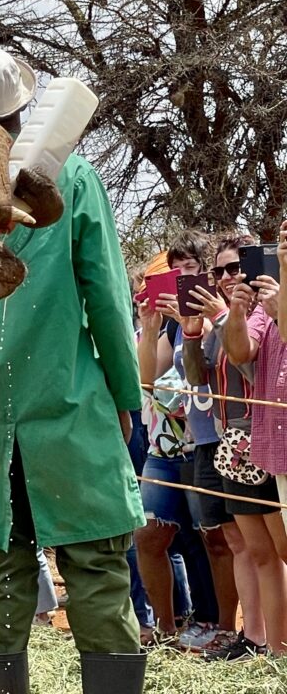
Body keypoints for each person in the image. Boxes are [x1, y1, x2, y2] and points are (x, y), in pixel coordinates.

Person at [0, 47, 147, 694]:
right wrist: (126, 397)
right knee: (98, 569)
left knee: (1, 575)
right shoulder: (73, 180)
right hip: (69, 405)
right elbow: (106, 296)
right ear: (28, 105)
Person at [135, 231, 237, 649]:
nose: (179, 280)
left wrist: (187, 323)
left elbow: (210, 372)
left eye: (189, 271)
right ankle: (167, 627)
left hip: (207, 444)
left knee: (216, 538)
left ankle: (225, 627)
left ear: (206, 276)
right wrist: (149, 325)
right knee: (147, 535)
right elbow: (145, 377)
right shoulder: (170, 332)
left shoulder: (217, 315)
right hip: (164, 447)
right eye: (173, 272)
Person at [180, 233, 273, 660]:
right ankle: (253, 638)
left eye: (234, 268)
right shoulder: (228, 312)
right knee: (241, 544)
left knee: (274, 548)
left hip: (263, 439)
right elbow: (199, 379)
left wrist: (222, 317)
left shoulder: (267, 313)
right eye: (218, 270)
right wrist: (194, 334)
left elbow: (252, 368)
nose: (225, 277)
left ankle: (274, 641)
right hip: (225, 438)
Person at [223, 229, 287, 655]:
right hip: (275, 445)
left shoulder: (277, 300)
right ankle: (278, 652)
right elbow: (239, 352)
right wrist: (235, 311)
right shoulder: (264, 305)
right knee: (279, 549)